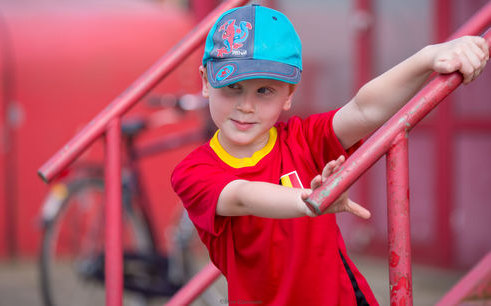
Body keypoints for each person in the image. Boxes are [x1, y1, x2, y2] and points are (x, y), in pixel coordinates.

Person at [171, 4, 488, 305]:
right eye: (232, 87)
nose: (246, 106)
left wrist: (428, 57)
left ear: (289, 95)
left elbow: (365, 109)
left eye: (264, 90)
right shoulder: (193, 171)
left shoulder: (303, 139)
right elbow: (241, 195)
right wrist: (309, 201)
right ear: (206, 82)